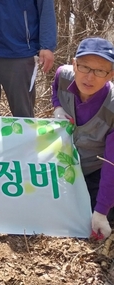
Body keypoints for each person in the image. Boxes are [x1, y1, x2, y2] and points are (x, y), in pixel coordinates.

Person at [51, 37, 114, 240]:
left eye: (100, 71)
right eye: (85, 67)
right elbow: (55, 88)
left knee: (94, 217)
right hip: (63, 160)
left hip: (95, 169)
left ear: (110, 75)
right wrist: (58, 108)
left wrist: (102, 211)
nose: (89, 77)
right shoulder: (64, 75)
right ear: (75, 64)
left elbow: (110, 163)